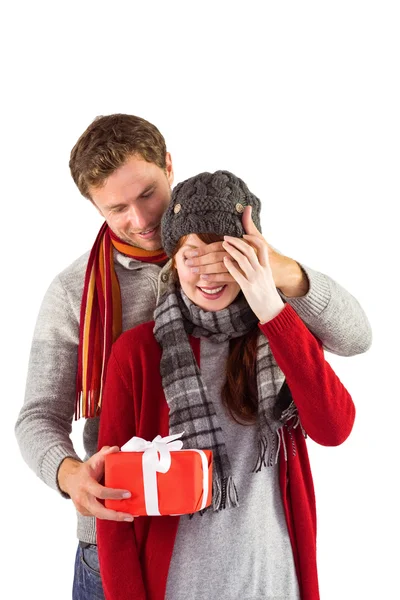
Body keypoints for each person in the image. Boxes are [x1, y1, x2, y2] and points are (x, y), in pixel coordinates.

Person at [15, 114, 371, 600]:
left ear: (168, 165)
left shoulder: (233, 251)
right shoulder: (80, 294)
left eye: (146, 195)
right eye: (116, 208)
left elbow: (356, 340)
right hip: (129, 534)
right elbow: (37, 416)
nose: (140, 221)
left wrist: (277, 276)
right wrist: (70, 474)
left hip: (257, 551)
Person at [96, 169, 357, 600]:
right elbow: (113, 499)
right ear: (173, 260)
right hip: (178, 586)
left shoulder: (283, 337)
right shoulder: (137, 353)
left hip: (274, 580)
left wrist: (273, 307)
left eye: (227, 257)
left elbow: (334, 429)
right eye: (193, 256)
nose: (210, 274)